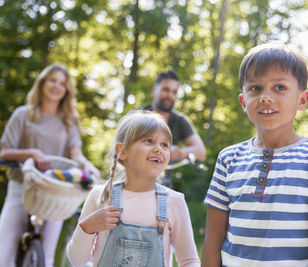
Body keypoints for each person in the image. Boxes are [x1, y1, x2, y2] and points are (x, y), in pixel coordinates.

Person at [201, 42, 308, 267]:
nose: (265, 97)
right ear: (243, 101)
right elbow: (212, 241)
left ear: (302, 100)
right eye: (255, 88)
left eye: (279, 87)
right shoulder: (227, 159)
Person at [66, 111, 200, 267]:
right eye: (149, 141)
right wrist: (87, 227)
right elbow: (76, 261)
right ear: (122, 151)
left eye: (165, 145)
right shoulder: (101, 196)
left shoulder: (174, 202)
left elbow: (189, 261)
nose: (159, 149)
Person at [0, 64, 100, 267]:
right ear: (43, 83)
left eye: (62, 83)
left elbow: (76, 154)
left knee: (46, 256)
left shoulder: (68, 121)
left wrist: (88, 166)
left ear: (67, 90)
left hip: (55, 192)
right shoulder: (23, 115)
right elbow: (4, 151)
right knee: (4, 252)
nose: (57, 86)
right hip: (22, 187)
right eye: (53, 80)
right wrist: (32, 153)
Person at [137, 70, 206, 162]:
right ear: (153, 91)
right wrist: (165, 149)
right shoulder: (137, 116)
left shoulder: (179, 121)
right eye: (166, 90)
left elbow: (201, 152)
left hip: (164, 174)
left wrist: (177, 152)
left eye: (174, 92)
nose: (170, 95)